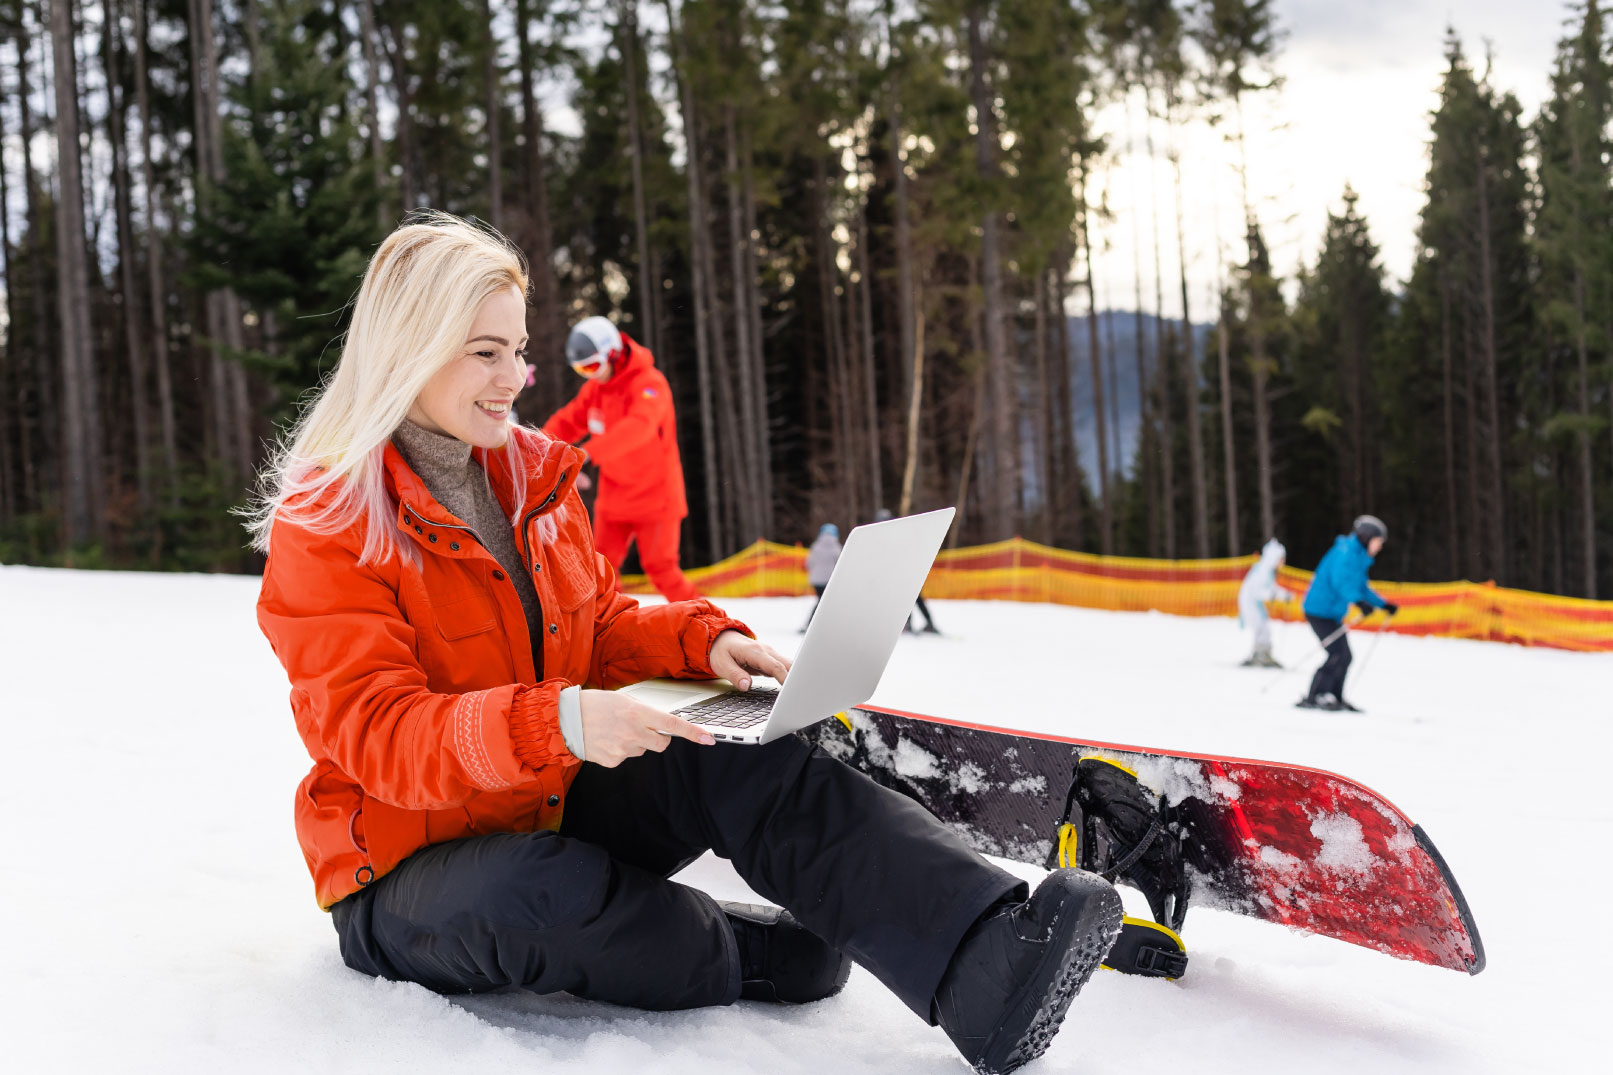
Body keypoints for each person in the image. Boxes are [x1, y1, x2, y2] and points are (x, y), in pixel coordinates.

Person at [248, 213, 1123, 1075]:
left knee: (738, 753)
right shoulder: (331, 522)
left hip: (547, 797)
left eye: (518, 350)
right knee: (543, 895)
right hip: (406, 872)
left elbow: (594, 628)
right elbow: (375, 732)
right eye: (486, 351)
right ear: (409, 344)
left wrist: (700, 643)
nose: (512, 377)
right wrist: (559, 724)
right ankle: (741, 948)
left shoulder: (531, 483)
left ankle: (980, 956)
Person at [541, 315, 699, 603]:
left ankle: (712, 627)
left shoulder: (651, 384)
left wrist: (587, 454)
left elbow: (639, 427)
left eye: (592, 366)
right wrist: (540, 445)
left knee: (661, 569)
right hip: (615, 496)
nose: (590, 375)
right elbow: (567, 421)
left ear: (612, 353)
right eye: (581, 369)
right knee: (600, 567)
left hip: (657, 496)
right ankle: (615, 628)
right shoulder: (596, 390)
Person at [1298, 515, 1401, 711]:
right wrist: (1358, 602)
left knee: (1344, 655)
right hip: (1319, 610)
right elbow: (1341, 582)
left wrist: (1383, 604)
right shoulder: (1346, 553)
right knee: (1338, 653)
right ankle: (1316, 695)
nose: (1379, 547)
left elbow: (1361, 587)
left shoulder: (1358, 556)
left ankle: (1333, 696)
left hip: (1331, 612)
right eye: (1378, 542)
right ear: (1366, 537)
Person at [876, 507, 942, 634]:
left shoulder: (891, 537)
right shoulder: (894, 535)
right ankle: (922, 623)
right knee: (912, 599)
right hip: (908, 572)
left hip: (906, 573)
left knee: (908, 599)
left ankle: (914, 624)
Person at [1238, 538, 1295, 668]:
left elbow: (1272, 588)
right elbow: (1258, 591)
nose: (1283, 563)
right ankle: (1260, 654)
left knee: (1263, 627)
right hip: (1250, 603)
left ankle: (1263, 653)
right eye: (1281, 559)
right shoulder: (1263, 571)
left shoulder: (1268, 570)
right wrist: (1274, 595)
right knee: (1261, 628)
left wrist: (1284, 595)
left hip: (1255, 603)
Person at [802, 522, 842, 630]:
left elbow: (808, 564)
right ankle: (820, 625)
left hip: (816, 580)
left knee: (821, 601)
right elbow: (840, 565)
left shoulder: (815, 547)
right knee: (825, 603)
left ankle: (811, 624)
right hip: (830, 580)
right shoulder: (836, 548)